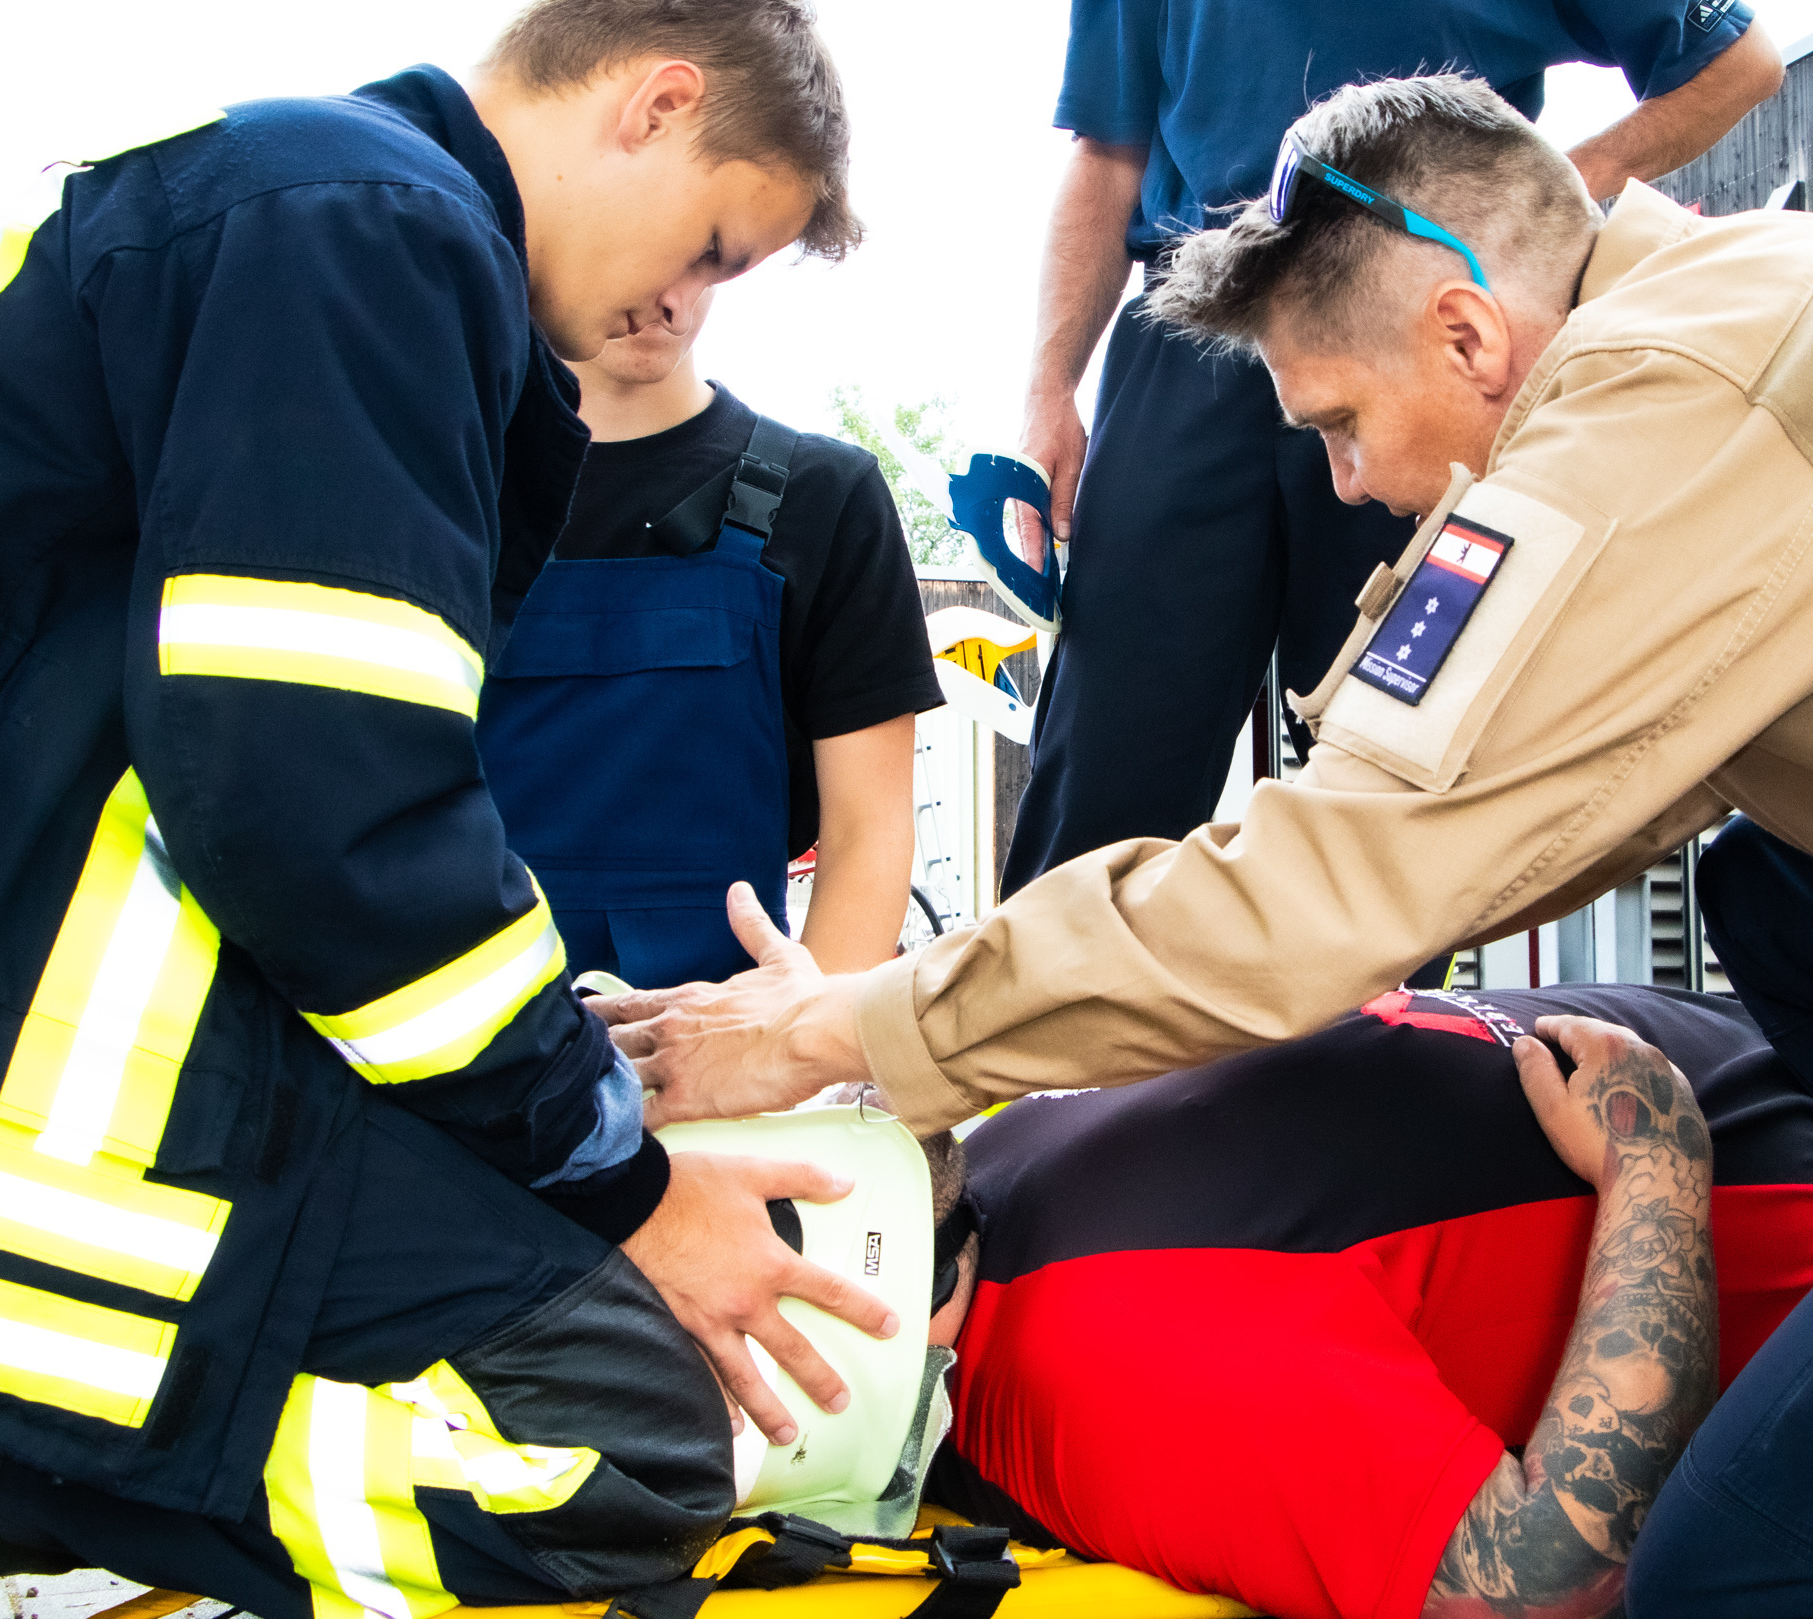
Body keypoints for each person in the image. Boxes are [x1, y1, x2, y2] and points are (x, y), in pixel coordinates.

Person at [592, 72, 1813, 1612]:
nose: (1349, 485)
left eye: (1341, 424)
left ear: (1464, 333)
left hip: (1720, 1133)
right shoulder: (1721, 308)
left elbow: (1336, 878)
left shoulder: (1669, 399)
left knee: (1714, 1583)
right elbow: (1473, 831)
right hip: (1734, 1074)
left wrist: (838, 1028)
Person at [0, 1, 907, 1611]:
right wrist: (618, 1176)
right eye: (715, 244)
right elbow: (322, 797)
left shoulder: (284, 196)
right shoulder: (377, 229)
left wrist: (554, 1067)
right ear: (656, 102)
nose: (685, 299)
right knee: (629, 1432)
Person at [1000, 0, 1783, 893]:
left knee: (1402, 765)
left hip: (1405, 323)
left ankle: (1386, 993)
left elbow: (1738, 62)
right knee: (1105, 751)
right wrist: (1049, 385)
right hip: (1196, 313)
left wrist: (1530, 199)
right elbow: (1109, 152)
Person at [924, 984, 1813, 1619]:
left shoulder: (989, 1162)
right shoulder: (1100, 1370)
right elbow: (1539, 1577)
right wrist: (1656, 1169)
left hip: (1758, 1045)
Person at [477, 284, 940, 984]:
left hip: (733, 1036)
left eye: (704, 249)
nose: (666, 294)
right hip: (459, 1025)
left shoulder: (827, 498)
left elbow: (866, 834)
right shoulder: (436, 497)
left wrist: (796, 1038)